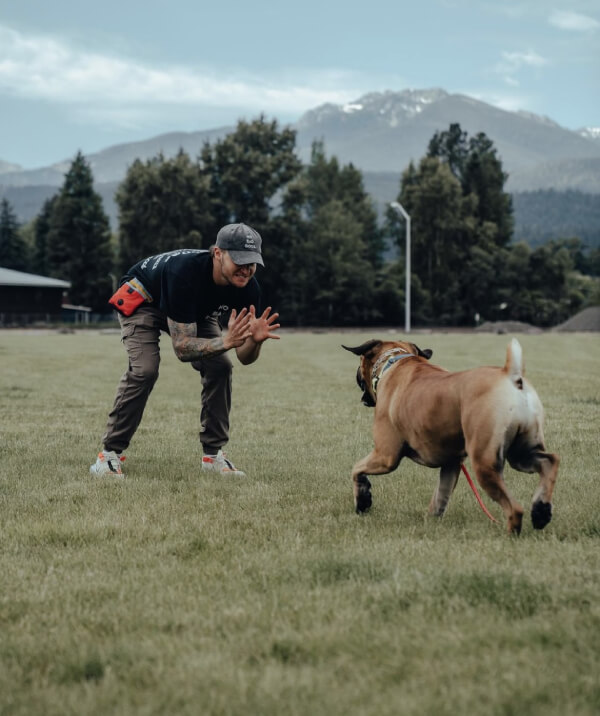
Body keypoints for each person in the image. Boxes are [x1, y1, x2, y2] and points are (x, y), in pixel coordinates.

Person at [90, 222, 280, 478]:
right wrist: (225, 341)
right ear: (218, 254)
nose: (246, 270)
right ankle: (109, 456)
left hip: (194, 310)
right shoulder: (185, 273)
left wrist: (254, 341)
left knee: (221, 367)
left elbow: (243, 357)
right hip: (145, 300)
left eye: (252, 262)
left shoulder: (248, 288)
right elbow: (183, 348)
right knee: (145, 370)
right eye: (239, 261)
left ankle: (212, 457)